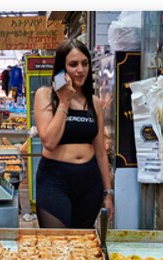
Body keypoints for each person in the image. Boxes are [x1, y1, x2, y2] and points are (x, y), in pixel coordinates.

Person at [33, 38, 114, 228]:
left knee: (83, 246)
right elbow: (49, 142)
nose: (80, 70)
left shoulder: (94, 102)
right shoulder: (45, 95)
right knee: (57, 246)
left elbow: (101, 151)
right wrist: (64, 101)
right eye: (73, 64)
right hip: (55, 181)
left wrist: (108, 193)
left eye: (85, 64)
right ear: (62, 68)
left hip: (89, 182)